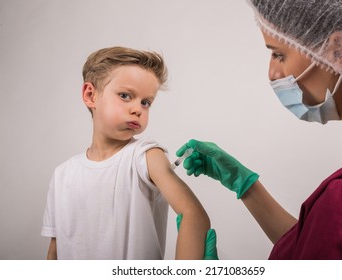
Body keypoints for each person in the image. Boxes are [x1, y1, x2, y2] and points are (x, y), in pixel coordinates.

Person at [177, 0, 342, 259]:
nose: (272, 73)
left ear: (338, 51)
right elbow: (315, 245)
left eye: (278, 54)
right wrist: (246, 185)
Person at [41, 46, 215, 260]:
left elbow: (194, 216)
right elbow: (54, 252)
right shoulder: (62, 175)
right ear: (90, 95)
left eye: (146, 102)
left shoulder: (146, 157)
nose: (138, 109)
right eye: (125, 95)